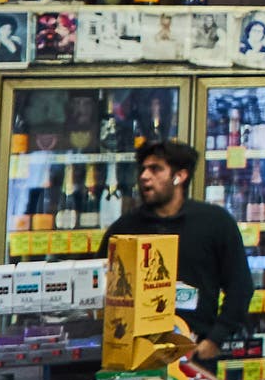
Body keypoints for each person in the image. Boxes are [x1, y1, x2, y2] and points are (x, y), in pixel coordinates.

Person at [106, 139, 252, 358]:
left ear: (180, 176)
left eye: (155, 169)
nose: (145, 176)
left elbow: (240, 287)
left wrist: (215, 339)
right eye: (143, 169)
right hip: (136, 356)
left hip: (195, 355)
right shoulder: (124, 228)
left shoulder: (215, 222)